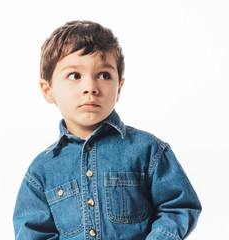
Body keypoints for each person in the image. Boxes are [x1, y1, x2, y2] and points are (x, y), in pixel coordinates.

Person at [13, 20, 201, 240]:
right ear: (48, 90)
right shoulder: (41, 171)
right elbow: (33, 233)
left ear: (119, 87)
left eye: (104, 75)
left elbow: (179, 206)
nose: (90, 87)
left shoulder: (149, 150)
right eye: (74, 75)